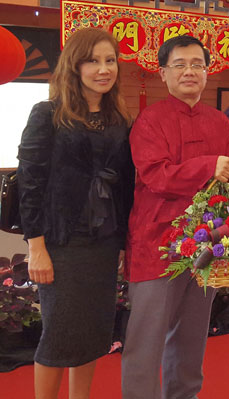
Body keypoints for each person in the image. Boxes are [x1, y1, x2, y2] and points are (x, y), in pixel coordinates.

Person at [121, 35, 229, 398]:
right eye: (180, 65)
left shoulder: (220, 123)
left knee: (192, 339)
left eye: (197, 64)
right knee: (144, 343)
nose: (189, 71)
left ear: (207, 72)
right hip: (156, 245)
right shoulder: (150, 120)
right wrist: (210, 165)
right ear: (163, 74)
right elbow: (156, 176)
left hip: (206, 244)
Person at [17, 27, 133, 398]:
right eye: (93, 61)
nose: (103, 69)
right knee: (59, 334)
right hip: (61, 242)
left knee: (92, 332)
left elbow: (124, 187)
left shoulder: (118, 118)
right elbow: (30, 183)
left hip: (102, 242)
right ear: (75, 65)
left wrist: (121, 244)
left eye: (110, 60)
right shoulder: (48, 113)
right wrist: (36, 246)